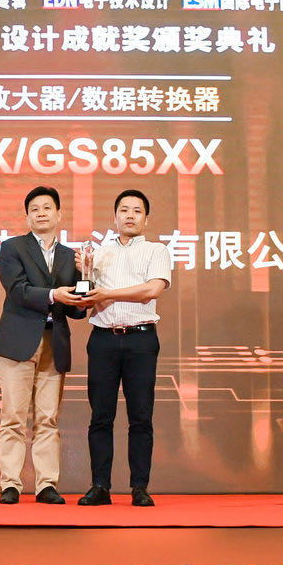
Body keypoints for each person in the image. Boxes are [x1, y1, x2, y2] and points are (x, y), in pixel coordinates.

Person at [0, 185, 89, 503]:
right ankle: (11, 484)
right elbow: (16, 290)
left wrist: (86, 275)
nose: (41, 213)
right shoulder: (13, 247)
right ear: (27, 216)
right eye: (35, 209)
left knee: (48, 418)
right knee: (14, 417)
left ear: (59, 214)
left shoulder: (69, 256)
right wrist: (53, 294)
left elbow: (77, 309)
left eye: (47, 208)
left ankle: (47, 484)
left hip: (54, 342)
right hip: (17, 342)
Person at [77, 189, 172, 507]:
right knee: (100, 416)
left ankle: (139, 487)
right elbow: (87, 296)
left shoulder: (157, 250)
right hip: (103, 339)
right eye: (124, 210)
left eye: (137, 210)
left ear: (146, 218)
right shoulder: (98, 254)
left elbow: (151, 290)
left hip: (140, 340)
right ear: (115, 216)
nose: (130, 215)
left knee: (141, 416)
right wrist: (84, 275)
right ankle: (100, 486)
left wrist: (107, 294)